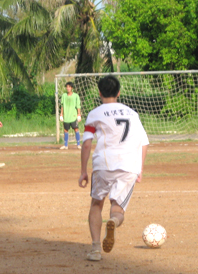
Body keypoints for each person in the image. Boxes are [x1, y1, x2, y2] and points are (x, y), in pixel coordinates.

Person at [78, 75, 149, 261]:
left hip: (103, 164)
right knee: (117, 208)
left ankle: (95, 249)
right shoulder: (132, 114)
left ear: (99, 92)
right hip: (128, 165)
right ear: (118, 92)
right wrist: (140, 169)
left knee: (96, 204)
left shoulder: (95, 113)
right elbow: (144, 143)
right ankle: (113, 221)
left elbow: (87, 144)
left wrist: (83, 171)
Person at [59, 82, 82, 150]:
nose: (68, 88)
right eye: (67, 87)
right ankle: (65, 145)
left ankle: (78, 144)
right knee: (65, 130)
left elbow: (78, 106)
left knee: (76, 129)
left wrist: (79, 114)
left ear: (71, 88)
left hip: (73, 116)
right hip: (66, 116)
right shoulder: (64, 96)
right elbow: (62, 106)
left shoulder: (76, 96)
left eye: (69, 87)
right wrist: (61, 114)